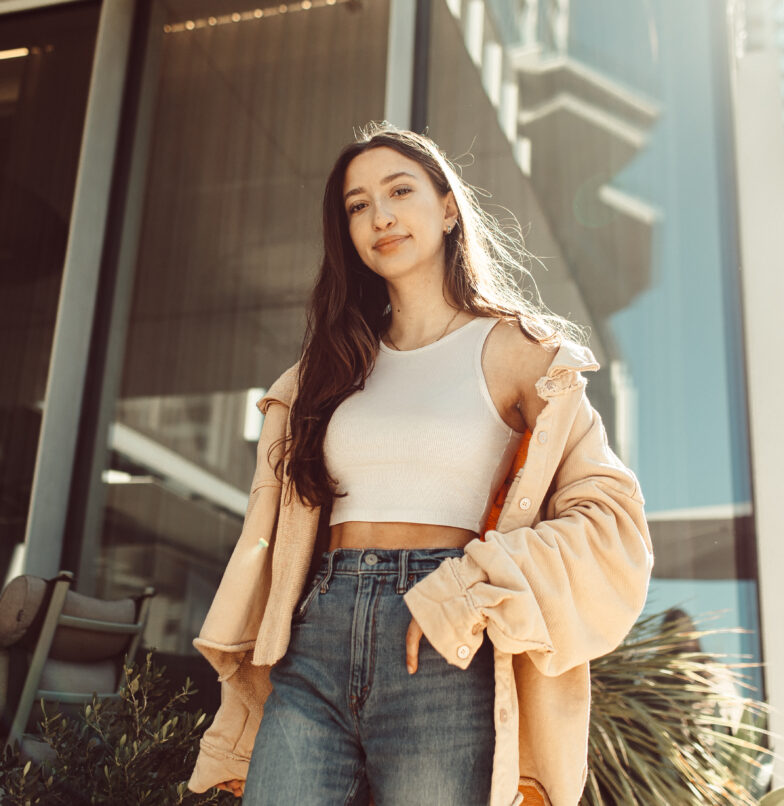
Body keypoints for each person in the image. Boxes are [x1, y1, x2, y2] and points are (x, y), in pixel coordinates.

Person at [186, 122, 654, 806]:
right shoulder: (327, 368)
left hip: (440, 640)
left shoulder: (519, 353)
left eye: (399, 190)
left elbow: (612, 522)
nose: (380, 216)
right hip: (316, 635)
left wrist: (466, 590)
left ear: (446, 208)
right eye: (356, 204)